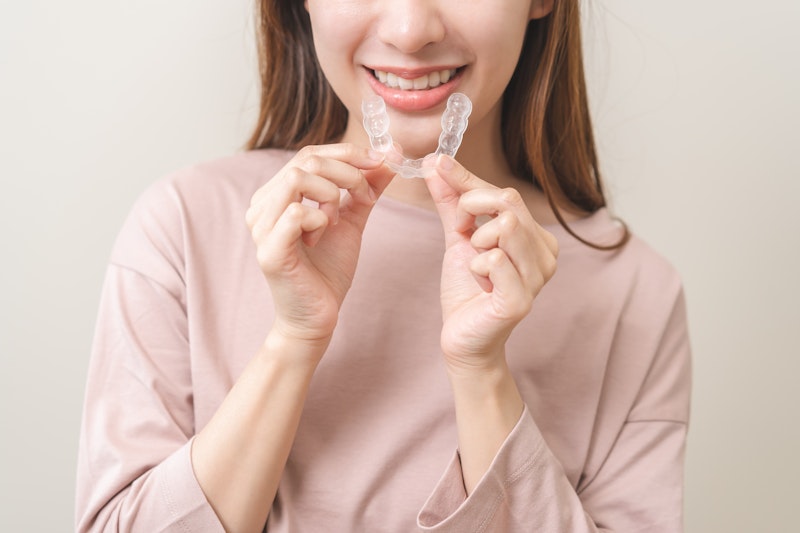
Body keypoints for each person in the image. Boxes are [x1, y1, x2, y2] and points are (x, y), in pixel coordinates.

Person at [75, 0, 692, 531]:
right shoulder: (184, 225)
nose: (408, 29)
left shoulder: (637, 296)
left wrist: (481, 376)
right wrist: (293, 343)